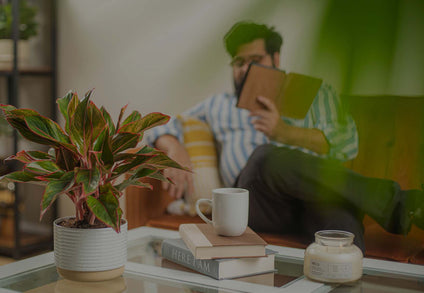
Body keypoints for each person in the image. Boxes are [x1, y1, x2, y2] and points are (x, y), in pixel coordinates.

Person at [145, 21, 424, 252]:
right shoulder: (218, 104)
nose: (244, 69)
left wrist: (284, 132)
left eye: (255, 60)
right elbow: (160, 126)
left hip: (318, 199)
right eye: (238, 62)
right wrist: (173, 145)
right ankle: (397, 203)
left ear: (275, 59)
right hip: (255, 204)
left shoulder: (314, 94)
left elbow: (348, 143)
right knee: (265, 157)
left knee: (342, 238)